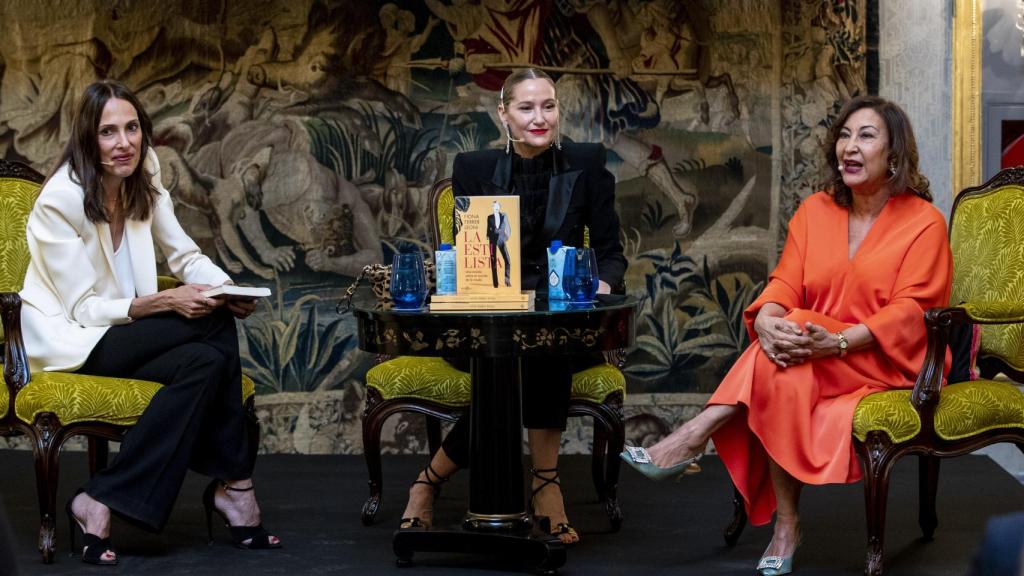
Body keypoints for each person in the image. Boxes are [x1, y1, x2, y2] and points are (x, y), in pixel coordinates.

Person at [620, 95, 952, 575]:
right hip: (811, 354)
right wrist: (772, 319)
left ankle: (695, 433)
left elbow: (911, 312)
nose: (849, 147)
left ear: (894, 154)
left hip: (890, 357)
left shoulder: (924, 221)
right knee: (785, 356)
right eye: (843, 135)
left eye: (866, 136)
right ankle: (786, 525)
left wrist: (835, 341)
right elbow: (784, 282)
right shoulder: (816, 210)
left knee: (792, 340)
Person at [19, 80, 280, 565]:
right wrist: (163, 303)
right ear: (86, 140)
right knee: (211, 328)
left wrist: (227, 290)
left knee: (204, 359)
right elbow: (83, 309)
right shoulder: (60, 201)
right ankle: (236, 487)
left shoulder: (146, 171)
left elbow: (184, 254)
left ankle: (98, 500)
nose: (125, 143)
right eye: (108, 132)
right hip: (72, 337)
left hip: (121, 329)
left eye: (132, 128)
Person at [398, 67, 627, 545]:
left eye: (549, 106)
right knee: (509, 358)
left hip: (563, 322)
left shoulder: (587, 162)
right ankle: (541, 483)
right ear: (503, 114)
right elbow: (472, 257)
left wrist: (602, 286)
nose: (540, 117)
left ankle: (434, 482)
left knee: (541, 348)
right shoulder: (474, 169)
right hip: (489, 323)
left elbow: (610, 251)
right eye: (526, 107)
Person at [487, 199, 512, 287]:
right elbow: (488, 228)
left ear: (499, 207)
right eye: (495, 206)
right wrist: (488, 236)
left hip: (501, 239)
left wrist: (506, 236)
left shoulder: (504, 216)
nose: (496, 208)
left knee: (507, 260)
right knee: (493, 262)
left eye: (498, 206)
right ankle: (495, 284)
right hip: (492, 240)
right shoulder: (489, 217)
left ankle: (507, 280)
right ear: (493, 207)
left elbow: (507, 227)